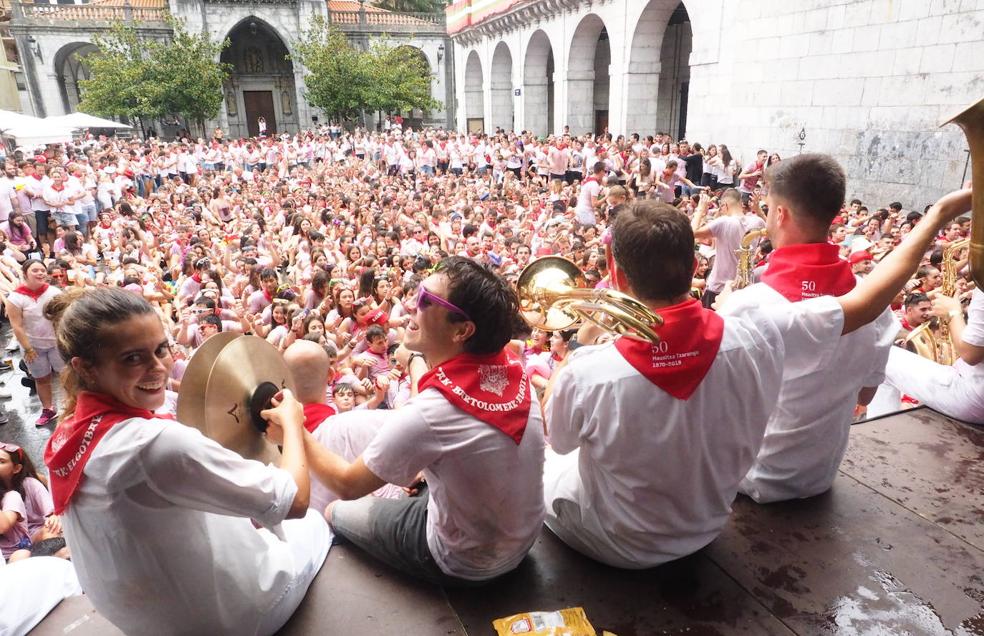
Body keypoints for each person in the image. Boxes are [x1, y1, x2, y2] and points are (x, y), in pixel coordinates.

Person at [541, 189, 970, 569]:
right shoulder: (760, 331)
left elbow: (559, 440)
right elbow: (865, 300)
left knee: (549, 461)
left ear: (615, 277)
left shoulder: (588, 371)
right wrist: (936, 216)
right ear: (694, 264)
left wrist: (578, 351)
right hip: (706, 528)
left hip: (614, 545)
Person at [41, 287, 330, 635]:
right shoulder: (154, 444)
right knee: (317, 522)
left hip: (144, 622)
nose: (158, 367)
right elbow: (295, 501)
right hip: (230, 619)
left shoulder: (68, 433)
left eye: (161, 349)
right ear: (85, 368)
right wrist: (293, 423)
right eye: (133, 358)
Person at [275, 257, 545, 585]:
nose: (410, 304)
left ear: (462, 330)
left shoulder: (433, 411)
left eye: (426, 301)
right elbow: (438, 415)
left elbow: (347, 484)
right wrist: (417, 359)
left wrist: (295, 427)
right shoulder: (514, 370)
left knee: (335, 511)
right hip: (523, 539)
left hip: (462, 560)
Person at [717, 154, 897, 503]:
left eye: (767, 208)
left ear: (780, 214)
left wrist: (721, 313)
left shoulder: (746, 306)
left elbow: (716, 405)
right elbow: (865, 397)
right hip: (819, 476)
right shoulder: (877, 306)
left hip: (746, 477)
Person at [867, 285, 984, 424]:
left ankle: (881, 434)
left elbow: (970, 353)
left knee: (880, 357)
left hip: (973, 396)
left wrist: (952, 312)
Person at [5, 259, 62, 426]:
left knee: (67, 376)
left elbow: (62, 317)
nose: (40, 273)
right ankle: (48, 409)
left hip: (56, 342)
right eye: (35, 270)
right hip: (32, 346)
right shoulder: (16, 297)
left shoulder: (54, 292)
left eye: (43, 270)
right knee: (41, 378)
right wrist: (28, 349)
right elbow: (17, 325)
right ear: (25, 274)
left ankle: (73, 407)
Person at [692, 188, 764, 308]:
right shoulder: (758, 222)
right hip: (744, 290)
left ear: (724, 205)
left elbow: (691, 232)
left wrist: (700, 210)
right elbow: (774, 232)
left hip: (718, 290)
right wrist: (759, 211)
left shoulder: (724, 222)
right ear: (741, 204)